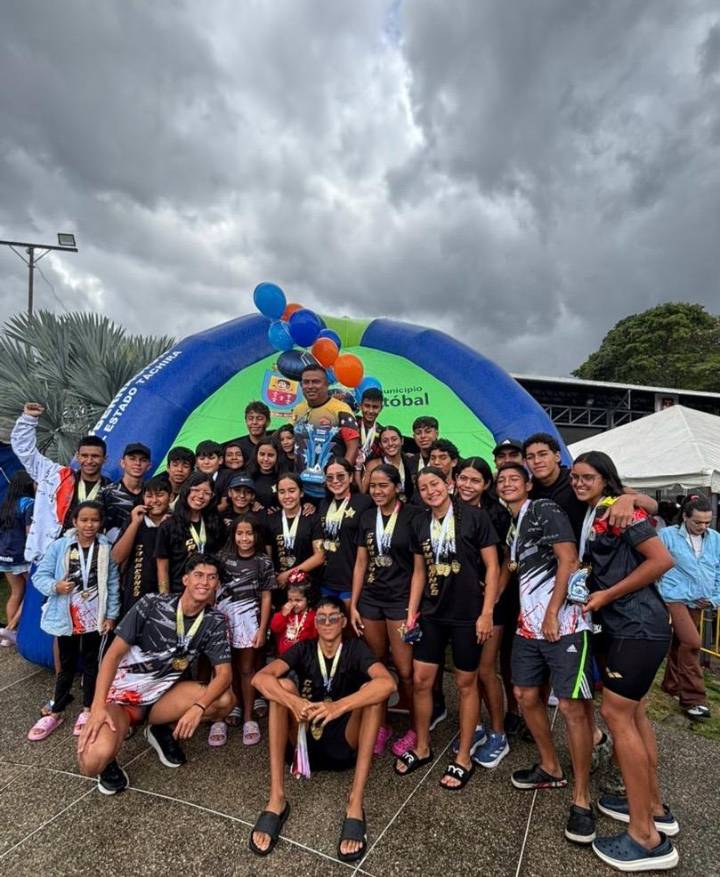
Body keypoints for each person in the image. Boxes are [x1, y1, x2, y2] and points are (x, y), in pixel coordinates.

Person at [571, 451, 678, 871]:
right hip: (627, 628)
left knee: (618, 716)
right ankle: (654, 808)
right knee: (635, 716)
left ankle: (645, 838)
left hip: (637, 625)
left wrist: (607, 595)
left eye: (588, 477)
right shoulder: (598, 511)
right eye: (575, 477)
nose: (579, 483)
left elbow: (661, 561)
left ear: (606, 479)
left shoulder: (619, 513)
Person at [249, 595, 396, 861]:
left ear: (342, 622)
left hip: (344, 738)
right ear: (315, 623)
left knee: (373, 693)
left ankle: (355, 802)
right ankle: (276, 798)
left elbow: (388, 684)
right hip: (304, 741)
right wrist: (293, 701)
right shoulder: (304, 648)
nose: (327, 623)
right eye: (321, 618)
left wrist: (338, 706)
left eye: (333, 617)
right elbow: (260, 678)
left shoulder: (355, 649)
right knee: (281, 688)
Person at [495, 462, 596, 845]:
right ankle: (551, 767)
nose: (506, 484)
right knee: (523, 695)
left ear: (528, 484)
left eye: (513, 479)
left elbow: (568, 559)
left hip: (564, 623)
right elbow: (511, 566)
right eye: (501, 480)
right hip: (528, 625)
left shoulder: (543, 509)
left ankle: (582, 797)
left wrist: (553, 612)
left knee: (571, 707)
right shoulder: (515, 522)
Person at [76, 554, 234, 794]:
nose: (204, 582)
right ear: (185, 579)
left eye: (212, 578)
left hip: (161, 699)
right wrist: (97, 708)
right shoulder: (151, 604)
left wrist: (198, 708)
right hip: (121, 700)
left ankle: (160, 729)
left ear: (217, 585)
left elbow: (224, 675)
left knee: (224, 701)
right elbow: (112, 657)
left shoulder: (214, 621)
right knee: (91, 762)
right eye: (198, 575)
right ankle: (108, 763)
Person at [395, 467, 499, 791]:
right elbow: (418, 573)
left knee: (466, 683)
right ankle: (422, 746)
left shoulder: (474, 517)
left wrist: (487, 613)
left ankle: (464, 756)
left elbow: (494, 567)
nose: (430, 491)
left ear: (449, 484)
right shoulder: (418, 522)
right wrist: (411, 614)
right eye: (423, 487)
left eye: (435, 484)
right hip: (432, 614)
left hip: (468, 615)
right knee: (422, 680)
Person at [27, 501, 120, 741]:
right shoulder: (60, 546)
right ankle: (56, 709)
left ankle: (88, 709)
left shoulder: (105, 548)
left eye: (95, 520)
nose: (89, 525)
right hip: (66, 614)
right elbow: (40, 576)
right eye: (84, 520)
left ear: (101, 523)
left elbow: (112, 583)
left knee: (92, 665)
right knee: (66, 665)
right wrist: (55, 586)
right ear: (74, 522)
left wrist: (111, 614)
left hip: (94, 616)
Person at [350, 464, 417, 757]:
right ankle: (382, 725)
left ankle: (416, 726)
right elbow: (361, 563)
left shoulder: (413, 516)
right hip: (371, 599)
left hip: (400, 600)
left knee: (405, 670)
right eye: (373, 486)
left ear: (396, 487)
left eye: (383, 486)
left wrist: (413, 610)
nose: (377, 491)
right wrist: (353, 603)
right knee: (376, 666)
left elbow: (419, 568)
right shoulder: (366, 517)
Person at [452, 457, 511, 768]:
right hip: (460, 602)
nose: (467, 485)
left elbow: (503, 562)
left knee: (487, 669)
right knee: (467, 672)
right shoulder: (449, 508)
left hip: (489, 603)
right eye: (463, 478)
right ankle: (473, 726)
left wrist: (493, 598)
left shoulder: (496, 514)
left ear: (486, 484)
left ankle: (498, 733)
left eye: (475, 480)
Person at [11, 402, 110, 563]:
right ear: (77, 456)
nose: (89, 461)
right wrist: (28, 419)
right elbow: (24, 451)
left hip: (89, 558)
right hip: (50, 556)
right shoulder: (56, 476)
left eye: (95, 456)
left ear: (104, 459)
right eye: (84, 456)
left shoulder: (110, 489)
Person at [523, 433, 658, 542]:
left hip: (594, 558)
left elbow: (653, 505)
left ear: (557, 456)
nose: (537, 461)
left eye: (543, 454)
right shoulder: (528, 491)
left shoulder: (576, 478)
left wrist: (629, 499)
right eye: (530, 457)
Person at [215, 514, 276, 747]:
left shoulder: (263, 561)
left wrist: (262, 628)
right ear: (233, 535)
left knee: (246, 669)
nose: (244, 538)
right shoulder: (222, 558)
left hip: (250, 621)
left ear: (257, 535)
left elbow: (267, 596)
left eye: (249, 533)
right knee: (223, 669)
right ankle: (222, 714)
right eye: (240, 533)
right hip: (224, 619)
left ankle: (249, 718)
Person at [658, 494, 720, 719]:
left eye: (707, 522)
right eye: (698, 522)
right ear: (685, 517)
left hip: (700, 599)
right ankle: (694, 699)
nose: (703, 527)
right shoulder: (666, 535)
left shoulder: (716, 539)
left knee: (681, 643)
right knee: (692, 643)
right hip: (673, 596)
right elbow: (654, 563)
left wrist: (715, 598)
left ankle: (671, 684)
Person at [292, 365, 359, 500]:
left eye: (316, 381)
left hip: (331, 490)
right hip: (302, 490)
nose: (310, 386)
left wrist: (340, 479)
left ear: (327, 384)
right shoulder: (298, 410)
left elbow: (353, 447)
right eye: (306, 382)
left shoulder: (341, 409)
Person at [111, 476, 172, 618]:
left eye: (160, 495)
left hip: (169, 594)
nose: (154, 500)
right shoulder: (135, 520)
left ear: (170, 497)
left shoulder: (176, 522)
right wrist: (134, 523)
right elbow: (116, 557)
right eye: (149, 496)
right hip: (135, 594)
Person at [155, 473, 225, 594]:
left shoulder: (216, 524)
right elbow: (162, 567)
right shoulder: (168, 525)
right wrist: (165, 597)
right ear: (186, 491)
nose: (200, 496)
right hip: (179, 593)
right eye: (196, 490)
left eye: (207, 493)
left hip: (209, 593)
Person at [319, 457, 373, 605]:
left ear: (350, 477)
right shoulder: (323, 504)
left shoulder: (364, 502)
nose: (335, 481)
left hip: (350, 580)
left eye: (341, 476)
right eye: (330, 478)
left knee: (349, 626)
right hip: (326, 579)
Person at [264, 474, 324, 596]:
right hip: (280, 587)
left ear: (301, 493)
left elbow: (320, 557)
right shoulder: (270, 520)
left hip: (307, 587)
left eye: (292, 491)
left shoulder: (313, 519)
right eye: (282, 492)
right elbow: (267, 557)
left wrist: (288, 574)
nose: (287, 496)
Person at [0, 471, 35, 645]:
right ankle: (11, 628)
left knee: (16, 593)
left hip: (4, 555)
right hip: (22, 556)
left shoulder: (6, 505)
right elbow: (30, 532)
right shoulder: (29, 503)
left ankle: (8, 636)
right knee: (32, 591)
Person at [101, 442, 152, 544]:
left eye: (143, 460)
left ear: (149, 466)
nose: (137, 463)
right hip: (111, 551)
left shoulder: (152, 495)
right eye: (132, 459)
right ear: (123, 463)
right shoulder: (106, 493)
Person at [361, 425, 414, 502]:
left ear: (402, 441)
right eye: (385, 441)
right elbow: (363, 491)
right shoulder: (373, 465)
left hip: (408, 508)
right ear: (380, 445)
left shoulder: (410, 460)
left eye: (394, 439)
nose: (390, 444)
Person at [270, 575, 317, 656]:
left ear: (308, 599)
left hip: (304, 657)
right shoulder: (285, 613)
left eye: (298, 600)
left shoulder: (313, 616)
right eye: (290, 600)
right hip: (284, 657)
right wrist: (282, 615)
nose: (294, 603)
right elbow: (275, 628)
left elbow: (315, 637)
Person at [227, 401, 273, 466]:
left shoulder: (275, 444)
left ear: (268, 421)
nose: (254, 422)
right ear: (246, 421)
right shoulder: (238, 447)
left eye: (259, 419)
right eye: (250, 419)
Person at [248, 436, 281, 511]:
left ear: (278, 456)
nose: (265, 459)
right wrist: (250, 503)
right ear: (256, 454)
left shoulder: (285, 477)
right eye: (262, 454)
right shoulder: (247, 475)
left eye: (270, 455)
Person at [356, 387, 384, 471]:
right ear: (360, 406)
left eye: (375, 407)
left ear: (381, 408)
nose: (371, 411)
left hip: (371, 477)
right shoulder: (351, 424)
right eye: (367, 406)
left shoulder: (382, 433)